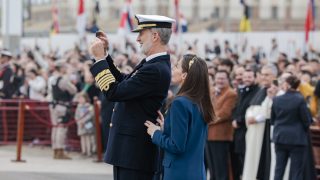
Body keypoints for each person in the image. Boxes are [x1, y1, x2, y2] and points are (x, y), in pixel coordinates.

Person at [89, 14, 175, 180]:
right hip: (130, 153)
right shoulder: (152, 64)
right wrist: (105, 56)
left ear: (155, 36)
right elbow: (123, 82)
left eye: (141, 34)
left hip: (134, 153)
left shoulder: (154, 69)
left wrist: (99, 59)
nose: (137, 39)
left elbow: (114, 92)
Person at [144, 55, 215, 180]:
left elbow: (176, 146)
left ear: (184, 75)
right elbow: (190, 136)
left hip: (179, 172)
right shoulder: (200, 101)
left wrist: (155, 133)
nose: (173, 68)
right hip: (196, 172)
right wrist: (167, 128)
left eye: (177, 66)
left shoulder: (180, 103)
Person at [271, 75, 312, 180]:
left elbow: (273, 119)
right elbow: (306, 120)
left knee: (279, 170)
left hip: (280, 137)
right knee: (296, 171)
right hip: (297, 139)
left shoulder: (276, 99)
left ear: (287, 84)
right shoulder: (300, 99)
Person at [206, 70, 237, 180]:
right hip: (208, 135)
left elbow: (224, 114)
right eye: (218, 78)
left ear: (228, 80)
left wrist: (205, 120)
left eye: (222, 78)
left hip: (221, 136)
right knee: (212, 168)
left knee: (221, 169)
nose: (220, 81)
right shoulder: (212, 91)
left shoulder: (231, 93)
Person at [232, 68, 260, 180]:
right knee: (239, 159)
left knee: (246, 158)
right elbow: (236, 107)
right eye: (245, 77)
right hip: (238, 131)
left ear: (254, 77)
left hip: (248, 129)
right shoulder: (241, 90)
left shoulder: (257, 91)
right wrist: (234, 119)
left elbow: (252, 111)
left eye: (249, 77)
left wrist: (239, 121)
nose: (247, 79)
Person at [49, 60, 77, 159]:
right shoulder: (63, 80)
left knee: (55, 128)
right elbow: (73, 90)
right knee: (61, 128)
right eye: (64, 67)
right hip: (62, 106)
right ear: (61, 68)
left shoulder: (52, 79)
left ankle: (55, 150)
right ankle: (60, 150)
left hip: (54, 105)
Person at [75, 93, 96, 157]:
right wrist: (79, 122)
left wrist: (83, 121)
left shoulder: (89, 106)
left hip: (88, 124)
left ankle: (89, 151)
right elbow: (76, 116)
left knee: (88, 138)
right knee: (82, 138)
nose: (80, 100)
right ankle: (83, 151)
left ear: (86, 98)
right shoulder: (78, 107)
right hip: (80, 125)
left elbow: (90, 115)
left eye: (82, 98)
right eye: (79, 98)